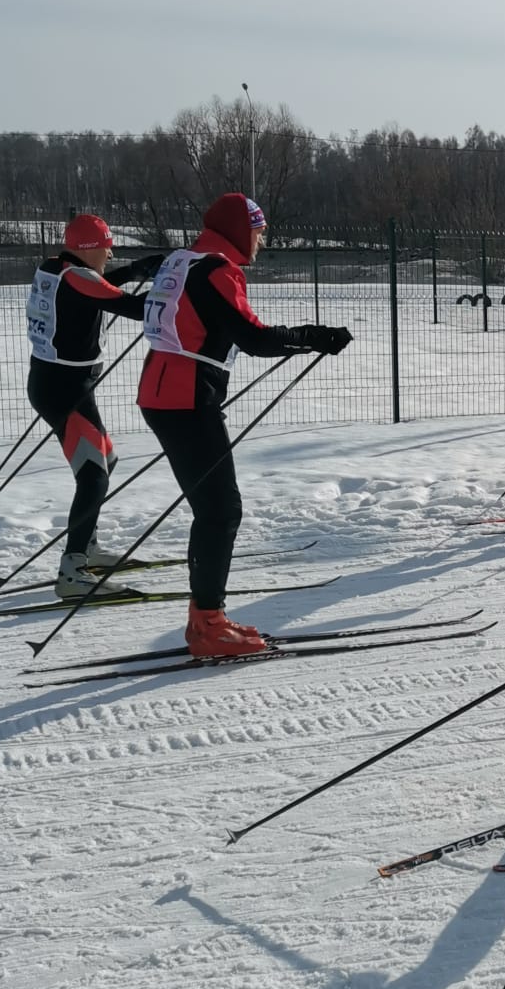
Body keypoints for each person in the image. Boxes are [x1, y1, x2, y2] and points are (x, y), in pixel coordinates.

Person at [137, 194, 352, 657]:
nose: (261, 241)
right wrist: (314, 336)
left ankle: (204, 618)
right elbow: (254, 338)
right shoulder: (217, 271)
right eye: (258, 231)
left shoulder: (184, 260)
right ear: (238, 230)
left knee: (214, 508)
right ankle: (208, 625)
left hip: (163, 392)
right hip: (185, 398)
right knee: (220, 510)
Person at [25, 214, 162, 597]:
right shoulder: (78, 279)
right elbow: (135, 308)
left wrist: (134, 270)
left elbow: (93, 287)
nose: (110, 253)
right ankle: (73, 571)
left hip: (62, 385)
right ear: (89, 248)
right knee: (93, 474)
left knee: (106, 460)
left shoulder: (56, 268)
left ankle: (86, 546)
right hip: (63, 389)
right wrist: (176, 288)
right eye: (106, 246)